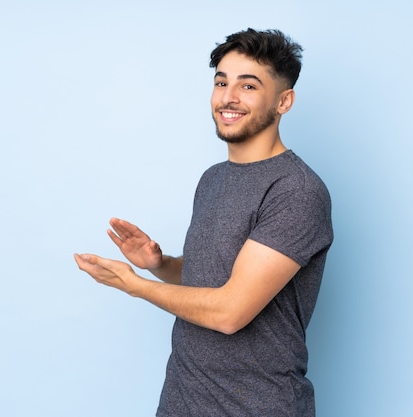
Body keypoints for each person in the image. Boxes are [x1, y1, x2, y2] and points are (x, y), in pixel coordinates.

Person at [74, 28, 333, 417]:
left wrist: (136, 286)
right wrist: (160, 265)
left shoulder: (296, 190)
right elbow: (210, 284)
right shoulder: (213, 178)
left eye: (248, 86)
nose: (228, 97)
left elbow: (229, 312)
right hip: (183, 400)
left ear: (284, 101)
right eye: (221, 82)